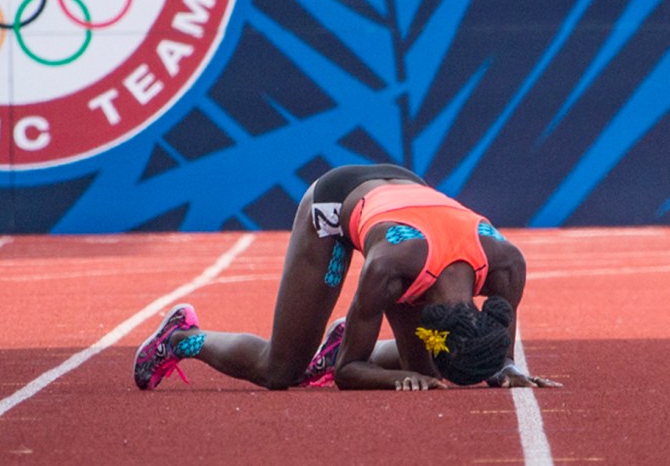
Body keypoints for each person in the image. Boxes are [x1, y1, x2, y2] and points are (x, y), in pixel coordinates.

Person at [133, 164, 562, 391]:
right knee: (281, 372)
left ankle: (353, 333)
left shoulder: (507, 266)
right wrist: (395, 377)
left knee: (428, 373)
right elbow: (347, 374)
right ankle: (181, 337)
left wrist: (503, 367)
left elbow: (497, 346)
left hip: (409, 197)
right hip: (336, 205)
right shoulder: (388, 271)